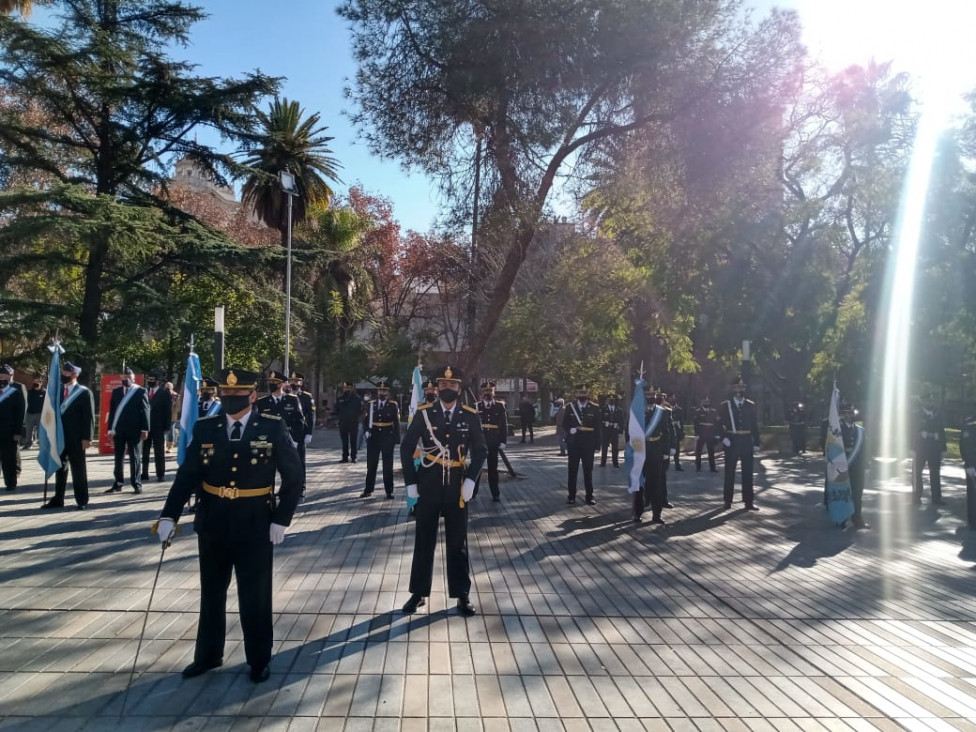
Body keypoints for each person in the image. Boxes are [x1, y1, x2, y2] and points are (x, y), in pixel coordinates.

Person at [155, 367, 303, 683]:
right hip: (214, 521)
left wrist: (281, 519)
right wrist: (169, 515)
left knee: (255, 596)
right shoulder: (207, 427)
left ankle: (259, 659)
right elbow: (187, 475)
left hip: (255, 523)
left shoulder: (272, 427)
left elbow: (294, 478)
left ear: (252, 396)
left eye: (237, 394)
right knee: (211, 593)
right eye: (226, 394)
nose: (230, 399)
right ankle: (208, 656)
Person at [399, 365, 487, 616]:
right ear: (437, 387)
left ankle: (462, 594)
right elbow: (406, 448)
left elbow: (481, 451)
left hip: (458, 487)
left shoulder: (470, 415)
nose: (447, 389)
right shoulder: (425, 413)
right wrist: (411, 483)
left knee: (457, 542)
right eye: (443, 385)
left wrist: (471, 480)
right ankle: (418, 593)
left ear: (460, 388)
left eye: (452, 385)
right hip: (428, 484)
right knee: (424, 539)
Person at [43, 360, 94, 510]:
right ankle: (58, 498)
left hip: (77, 438)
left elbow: (88, 417)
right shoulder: (57, 391)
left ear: (75, 374)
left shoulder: (84, 392)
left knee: (78, 469)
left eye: (67, 373)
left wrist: (87, 437)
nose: (64, 375)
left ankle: (82, 499)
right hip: (59, 436)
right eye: (63, 372)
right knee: (60, 467)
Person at [256, 370, 306, 491]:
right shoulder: (262, 402)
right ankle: (269, 493)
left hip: (287, 440)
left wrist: (296, 440)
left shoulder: (292, 400)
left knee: (289, 469)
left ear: (282, 384)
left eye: (275, 382)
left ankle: (291, 491)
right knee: (267, 469)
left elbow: (299, 421)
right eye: (271, 382)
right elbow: (258, 423)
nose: (272, 384)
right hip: (268, 441)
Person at [717, 375, 761, 510]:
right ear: (733, 389)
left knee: (748, 472)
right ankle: (727, 501)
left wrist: (756, 442)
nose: (740, 390)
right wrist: (723, 437)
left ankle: (748, 501)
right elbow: (718, 424)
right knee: (729, 472)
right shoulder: (726, 406)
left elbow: (754, 425)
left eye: (742, 387)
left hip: (746, 441)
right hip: (732, 441)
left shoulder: (750, 405)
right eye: (737, 387)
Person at [104, 366, 149, 494]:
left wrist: (145, 429)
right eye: (124, 376)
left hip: (135, 430)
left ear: (133, 378)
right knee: (118, 457)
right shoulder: (116, 391)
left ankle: (136, 483)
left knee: (135, 457)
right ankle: (118, 483)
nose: (126, 379)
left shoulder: (140, 391)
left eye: (129, 377)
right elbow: (112, 412)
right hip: (118, 430)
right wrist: (110, 430)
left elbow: (145, 411)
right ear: (120, 378)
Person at [633, 385, 673, 524]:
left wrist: (666, 452)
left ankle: (657, 515)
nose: (650, 398)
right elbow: (631, 432)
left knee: (656, 484)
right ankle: (637, 514)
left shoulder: (662, 412)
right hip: (641, 450)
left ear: (656, 397)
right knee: (639, 485)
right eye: (647, 395)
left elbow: (666, 432)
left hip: (656, 450)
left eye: (653, 395)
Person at [563, 383, 601, 505]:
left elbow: (598, 427)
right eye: (580, 393)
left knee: (588, 471)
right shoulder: (570, 407)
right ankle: (571, 495)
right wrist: (571, 430)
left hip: (588, 444)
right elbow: (565, 423)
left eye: (584, 393)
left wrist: (597, 445)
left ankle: (589, 496)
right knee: (572, 470)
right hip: (574, 444)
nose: (582, 395)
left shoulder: (594, 408)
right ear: (576, 394)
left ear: (587, 394)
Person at [361, 379, 400, 498]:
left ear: (387, 393)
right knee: (371, 464)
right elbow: (365, 421)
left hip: (387, 437)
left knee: (388, 465)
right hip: (374, 437)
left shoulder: (393, 405)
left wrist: (396, 439)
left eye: (384, 391)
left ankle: (389, 490)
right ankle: (368, 489)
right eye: (380, 390)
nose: (382, 393)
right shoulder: (371, 404)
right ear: (377, 392)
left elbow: (396, 423)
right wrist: (366, 432)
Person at [474, 380, 508, 502]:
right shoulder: (477, 406)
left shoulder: (499, 406)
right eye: (486, 391)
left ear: (494, 392)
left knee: (493, 469)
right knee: (476, 467)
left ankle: (495, 493)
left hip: (493, 442)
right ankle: (473, 492)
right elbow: (472, 426)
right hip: (479, 442)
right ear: (482, 392)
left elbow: (503, 425)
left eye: (490, 391)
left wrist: (503, 441)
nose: (488, 393)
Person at [912, 392, 946, 506]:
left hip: (935, 448)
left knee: (935, 473)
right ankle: (916, 497)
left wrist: (943, 449)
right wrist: (919, 436)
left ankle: (937, 498)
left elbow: (942, 431)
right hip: (920, 447)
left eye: (931, 401)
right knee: (917, 473)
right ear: (923, 402)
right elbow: (910, 432)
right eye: (927, 401)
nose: (930, 403)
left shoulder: (937, 414)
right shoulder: (916, 415)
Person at [839, 402, 868, 529]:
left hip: (857, 466)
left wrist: (866, 463)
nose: (849, 415)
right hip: (843, 464)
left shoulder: (860, 430)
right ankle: (842, 518)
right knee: (844, 493)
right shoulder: (837, 429)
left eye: (851, 413)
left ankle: (858, 519)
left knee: (857, 493)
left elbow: (864, 448)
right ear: (842, 414)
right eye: (846, 413)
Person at [0, 365, 26, 491]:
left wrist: (18, 430)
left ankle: (10, 482)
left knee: (9, 457)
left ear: (11, 375)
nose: (1, 376)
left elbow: (21, 411)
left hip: (10, 429)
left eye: (3, 374)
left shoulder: (18, 388)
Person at [142, 370, 170, 483]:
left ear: (158, 381)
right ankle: (144, 473)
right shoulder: (144, 391)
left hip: (158, 427)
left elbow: (167, 411)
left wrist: (167, 427)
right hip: (145, 427)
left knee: (159, 451)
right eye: (149, 380)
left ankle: (160, 473)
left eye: (152, 380)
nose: (150, 382)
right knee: (145, 451)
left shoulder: (164, 393)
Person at [288, 371, 315, 486]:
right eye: (292, 381)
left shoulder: (306, 397)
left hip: (300, 431)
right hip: (287, 430)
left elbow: (311, 415)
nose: (294, 383)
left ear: (301, 383)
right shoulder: (285, 395)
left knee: (300, 460)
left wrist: (309, 433)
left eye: (297, 381)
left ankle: (301, 485)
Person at [335, 381, 363, 462]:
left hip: (353, 423)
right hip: (343, 423)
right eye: (345, 388)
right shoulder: (340, 399)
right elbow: (336, 410)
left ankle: (354, 457)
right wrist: (338, 418)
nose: (347, 389)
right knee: (344, 441)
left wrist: (355, 417)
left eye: (349, 388)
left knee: (353, 441)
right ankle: (345, 457)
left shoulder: (357, 399)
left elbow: (360, 410)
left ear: (352, 388)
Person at [693, 396, 720, 472]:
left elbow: (716, 424)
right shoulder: (698, 411)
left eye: (707, 402)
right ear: (702, 402)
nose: (706, 403)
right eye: (704, 402)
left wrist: (716, 434)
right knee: (699, 452)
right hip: (701, 434)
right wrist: (696, 434)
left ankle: (713, 468)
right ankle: (698, 467)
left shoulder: (713, 412)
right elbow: (696, 424)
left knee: (711, 452)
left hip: (710, 434)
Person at [959, 412, 976, 529]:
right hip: (973, 464)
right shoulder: (970, 423)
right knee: (973, 494)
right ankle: (973, 520)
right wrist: (969, 464)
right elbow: (965, 445)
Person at [600, 393, 624, 468]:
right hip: (606, 430)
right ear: (607, 400)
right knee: (604, 447)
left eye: (612, 400)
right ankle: (603, 463)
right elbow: (599, 420)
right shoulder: (603, 409)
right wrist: (603, 424)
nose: (611, 401)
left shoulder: (619, 410)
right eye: (609, 400)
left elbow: (621, 420)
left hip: (614, 430)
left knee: (615, 447)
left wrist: (620, 430)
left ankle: (615, 463)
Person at [22, 377, 44, 449]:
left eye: (37, 382)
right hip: (30, 413)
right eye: (34, 382)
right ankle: (28, 443)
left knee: (40, 430)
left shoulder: (44, 392)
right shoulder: (29, 392)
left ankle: (42, 444)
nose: (35, 384)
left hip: (40, 414)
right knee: (29, 430)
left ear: (41, 383)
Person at [667, 393, 685, 471]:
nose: (673, 400)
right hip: (668, 432)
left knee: (677, 450)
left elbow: (681, 422)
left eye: (674, 398)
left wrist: (682, 432)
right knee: (666, 450)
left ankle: (677, 465)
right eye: (672, 398)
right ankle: (666, 465)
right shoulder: (666, 409)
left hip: (676, 433)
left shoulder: (679, 409)